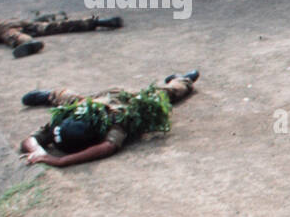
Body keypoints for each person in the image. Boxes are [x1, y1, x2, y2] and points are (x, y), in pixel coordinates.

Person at [18, 71, 198, 167]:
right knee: (69, 98)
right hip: (90, 101)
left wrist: (61, 161)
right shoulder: (65, 122)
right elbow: (29, 140)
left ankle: (181, 80)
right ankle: (50, 95)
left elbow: (108, 147)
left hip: (124, 100)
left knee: (164, 95)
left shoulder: (116, 121)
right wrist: (38, 152)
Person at [0, 14, 122, 59]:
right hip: (8, 22)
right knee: (52, 27)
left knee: (13, 37)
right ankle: (98, 22)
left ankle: (30, 44)